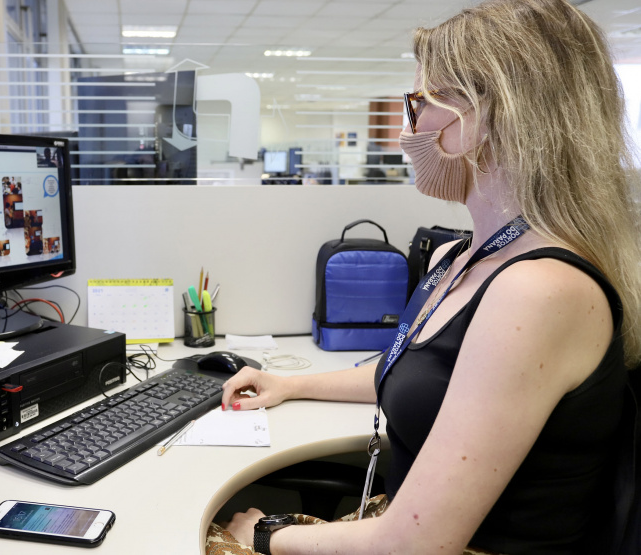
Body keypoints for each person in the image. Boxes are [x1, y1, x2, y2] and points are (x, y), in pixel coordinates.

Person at [216, 1, 641, 554]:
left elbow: (414, 545)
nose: (405, 131)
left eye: (418, 104)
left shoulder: (538, 290)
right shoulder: (461, 257)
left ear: (490, 116)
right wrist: (291, 385)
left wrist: (267, 535)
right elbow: (422, 369)